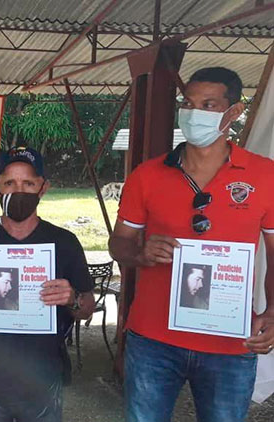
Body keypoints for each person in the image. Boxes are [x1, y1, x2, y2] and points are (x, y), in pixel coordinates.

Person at [109, 67, 274, 422]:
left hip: (231, 341)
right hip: (153, 339)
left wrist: (273, 312)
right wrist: (140, 253)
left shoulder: (265, 175)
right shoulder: (147, 175)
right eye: (189, 103)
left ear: (234, 112)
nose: (193, 112)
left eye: (208, 104)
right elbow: (118, 243)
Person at [0, 146, 95, 422]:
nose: (19, 190)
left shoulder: (64, 243)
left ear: (43, 188)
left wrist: (72, 298)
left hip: (43, 378)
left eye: (28, 183)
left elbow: (87, 307)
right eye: (9, 183)